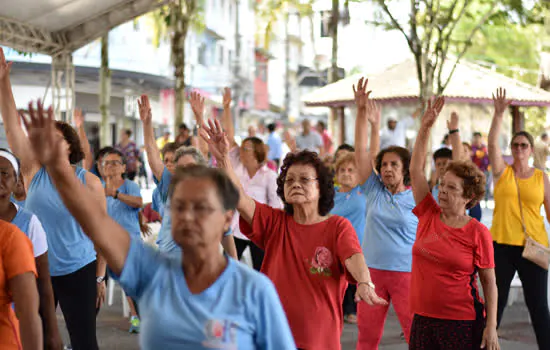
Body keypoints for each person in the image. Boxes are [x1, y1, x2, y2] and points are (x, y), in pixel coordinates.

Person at [22, 101, 297, 350]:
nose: (188, 217)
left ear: (226, 217)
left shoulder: (255, 291)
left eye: (202, 207)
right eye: (179, 206)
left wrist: (222, 158)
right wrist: (58, 163)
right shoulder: (154, 272)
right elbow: (96, 223)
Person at [201, 117, 387, 350]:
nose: (295, 184)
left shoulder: (337, 226)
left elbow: (353, 255)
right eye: (289, 180)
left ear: (321, 187)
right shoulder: (274, 222)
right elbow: (239, 196)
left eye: (304, 179)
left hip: (320, 341)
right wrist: (222, 159)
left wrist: (364, 281)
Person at [0, 49, 106, 350]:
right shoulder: (34, 171)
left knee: (85, 341)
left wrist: (99, 279)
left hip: (79, 269)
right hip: (38, 269)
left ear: (70, 148)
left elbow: (101, 234)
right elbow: (12, 128)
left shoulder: (91, 182)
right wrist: (3, 82)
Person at [409, 96, 500, 350]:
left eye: (452, 188)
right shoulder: (428, 213)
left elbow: (489, 283)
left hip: (461, 322)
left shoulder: (477, 232)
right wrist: (425, 128)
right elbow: (416, 170)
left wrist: (491, 327)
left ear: (468, 196)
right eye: (442, 184)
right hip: (422, 319)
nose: (443, 191)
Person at [352, 78, 416, 348]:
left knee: (417, 338)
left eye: (394, 164)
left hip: (407, 275)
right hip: (372, 275)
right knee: (367, 339)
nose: (388, 168)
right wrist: (362, 115)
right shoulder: (374, 191)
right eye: (384, 164)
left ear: (405, 170)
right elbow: (361, 152)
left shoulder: (417, 196)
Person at [139, 94, 237, 259]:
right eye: (182, 168)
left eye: (191, 167)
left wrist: (235, 264)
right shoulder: (170, 185)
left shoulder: (213, 193)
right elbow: (153, 158)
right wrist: (147, 124)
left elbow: (226, 233)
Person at [488, 87, 550, 349]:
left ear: (531, 149)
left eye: (524, 145)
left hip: (533, 247)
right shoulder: (502, 172)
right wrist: (498, 114)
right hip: (501, 245)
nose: (519, 148)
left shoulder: (541, 178)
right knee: (495, 305)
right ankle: (486, 344)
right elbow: (492, 144)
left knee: (537, 305)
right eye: (515, 145)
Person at [0, 150, 61, 350]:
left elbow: (43, 283)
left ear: (17, 182)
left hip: (15, 328)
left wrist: (51, 332)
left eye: (4, 173)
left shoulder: (26, 225)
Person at [217, 88, 281, 271]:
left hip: (259, 231)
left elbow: (275, 206)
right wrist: (227, 108)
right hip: (235, 227)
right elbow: (228, 136)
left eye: (246, 149)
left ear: (256, 153)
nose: (241, 151)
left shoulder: (269, 176)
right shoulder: (236, 161)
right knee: (227, 267)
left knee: (262, 270)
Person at [97, 147, 143, 333]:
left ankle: (136, 317)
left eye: (115, 163)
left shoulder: (129, 185)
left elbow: (138, 203)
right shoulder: (97, 187)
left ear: (124, 167)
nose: (111, 166)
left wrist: (114, 194)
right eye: (107, 163)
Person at [330, 151, 376, 324]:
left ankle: (352, 310)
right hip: (333, 244)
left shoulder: (363, 192)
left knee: (354, 281)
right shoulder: (331, 194)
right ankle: (338, 310)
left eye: (351, 170)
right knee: (334, 279)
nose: (346, 173)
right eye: (342, 170)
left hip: (359, 244)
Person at [471, 131, 491, 201]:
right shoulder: (471, 148)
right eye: (475, 138)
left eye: (477, 138)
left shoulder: (484, 147)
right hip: (474, 171)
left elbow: (488, 158)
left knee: (485, 185)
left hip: (485, 170)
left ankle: (485, 199)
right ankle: (476, 200)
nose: (476, 139)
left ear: (480, 138)